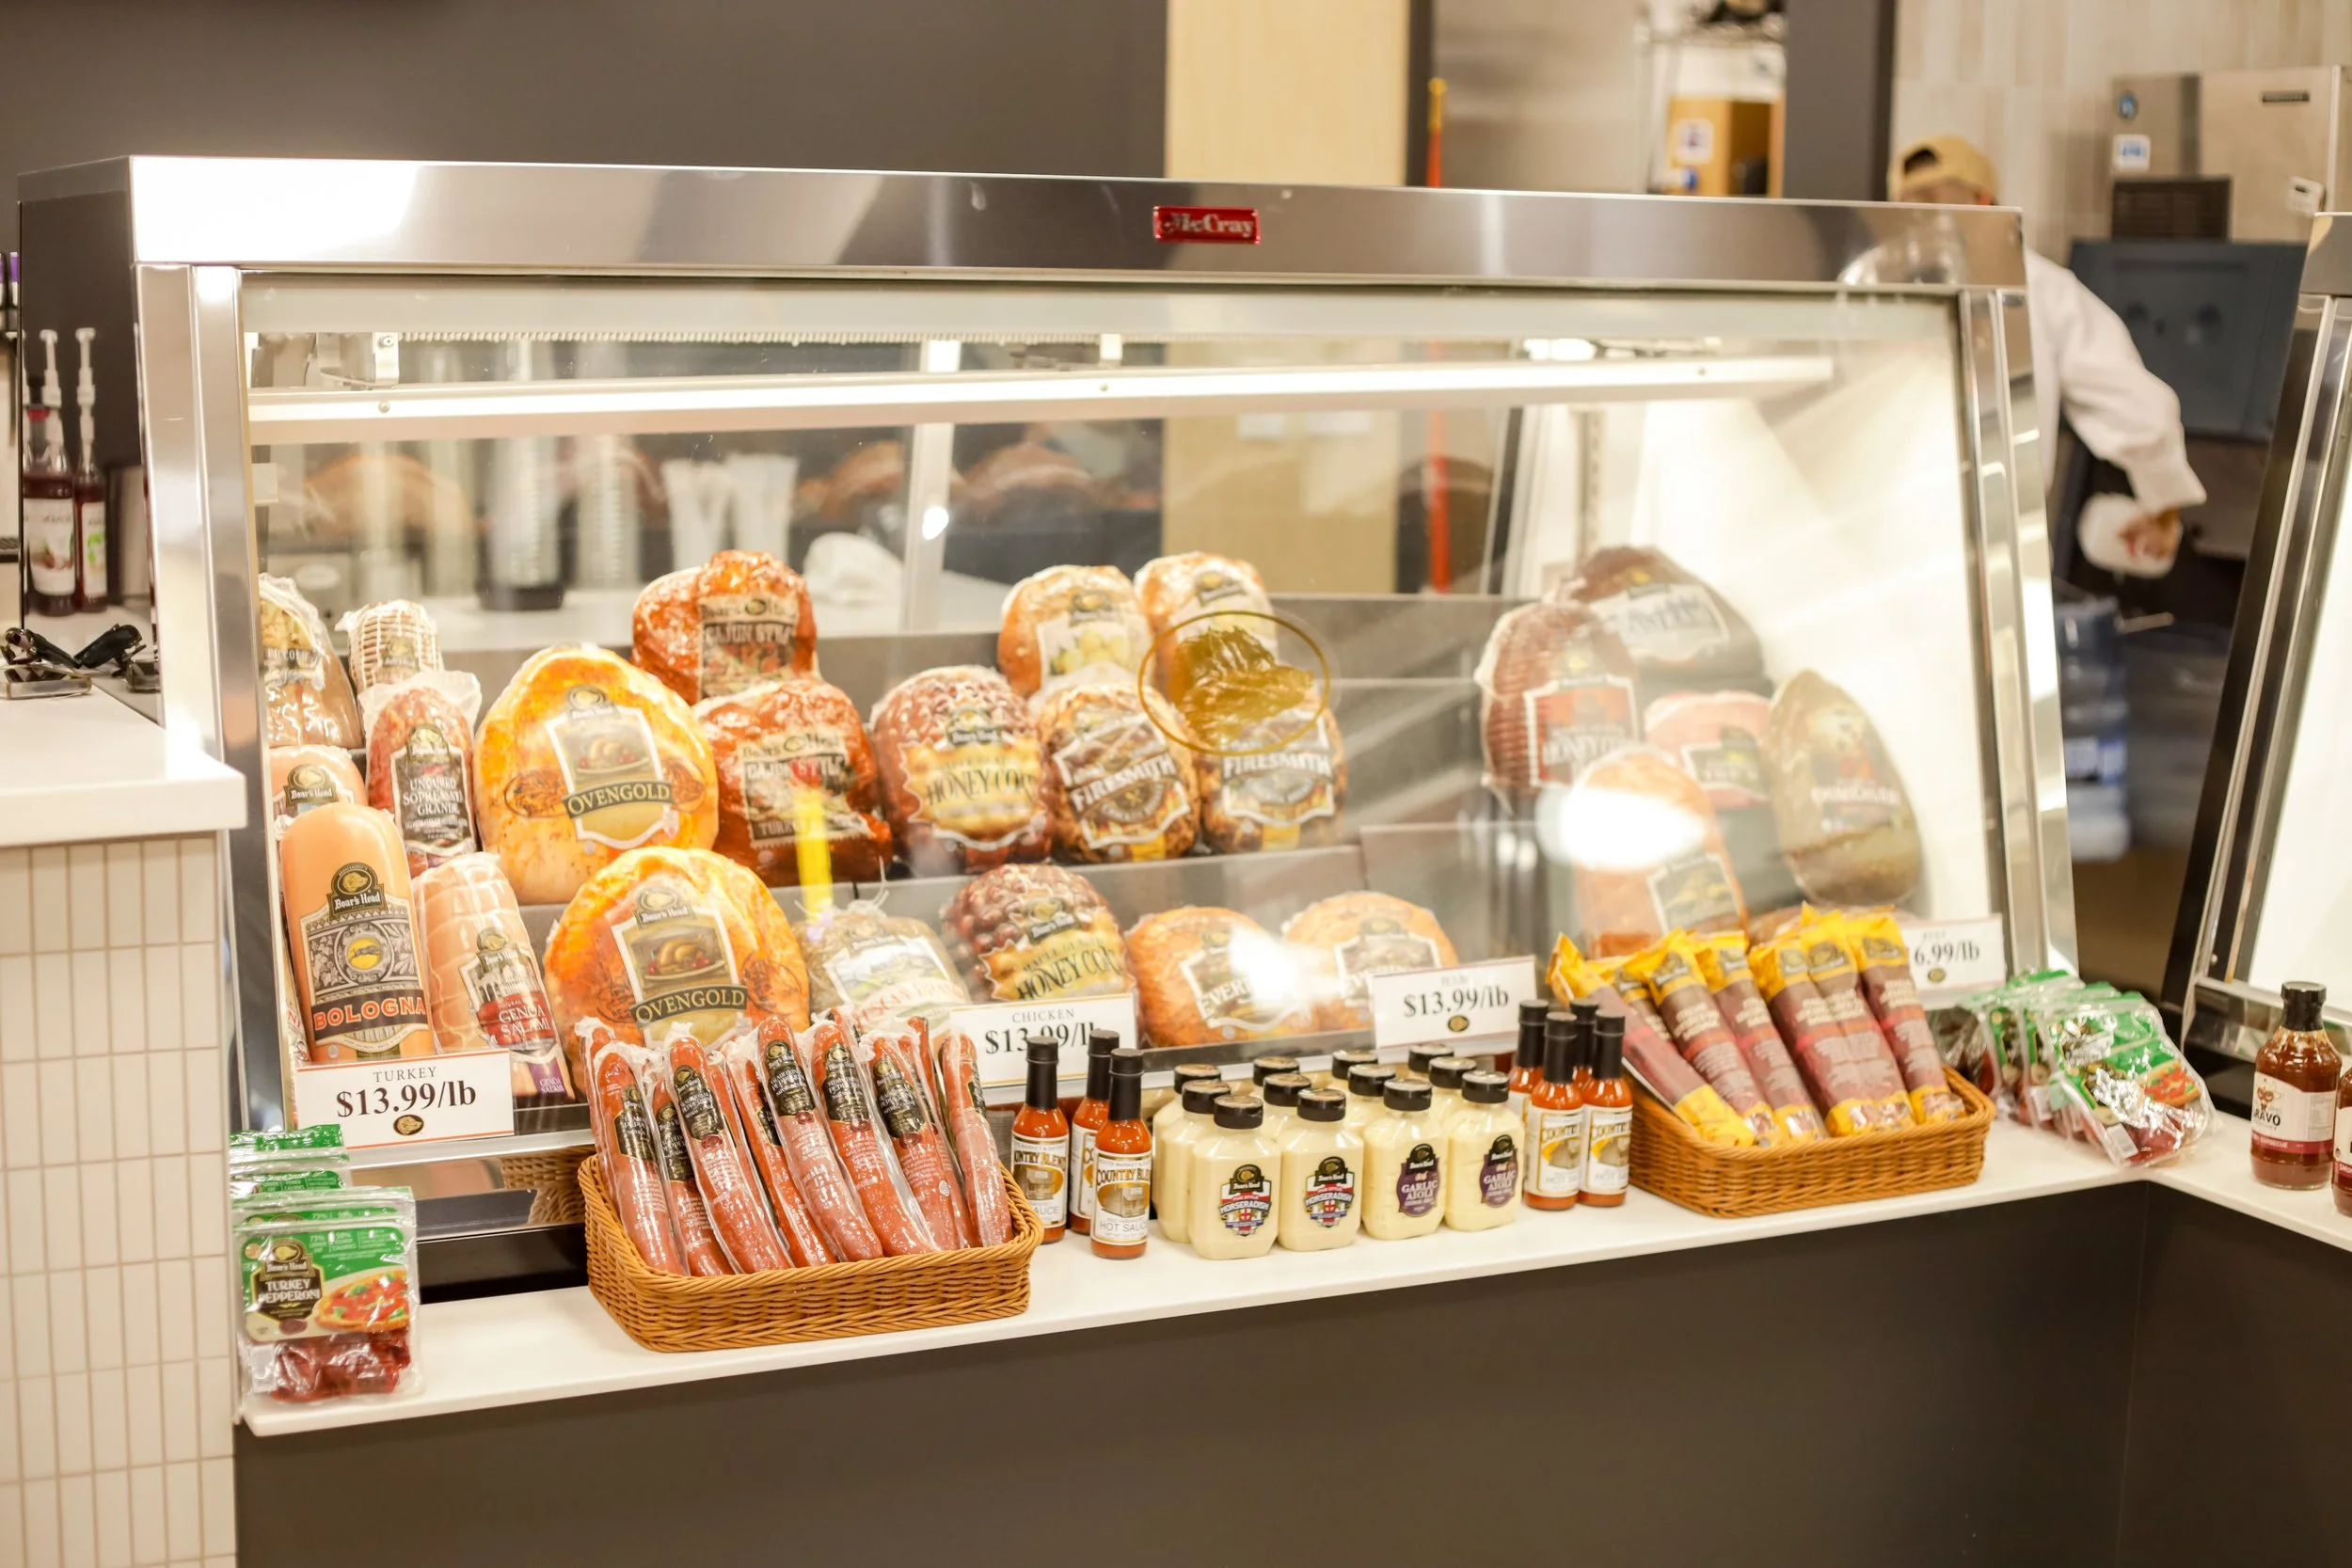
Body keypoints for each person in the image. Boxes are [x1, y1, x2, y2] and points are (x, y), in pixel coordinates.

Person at [1890, 135, 2206, 578]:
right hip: (1993, 540)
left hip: (1889, 536)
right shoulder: (2038, 287)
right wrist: (2163, 508)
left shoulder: (1869, 290)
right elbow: (2142, 412)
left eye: (1925, 204)